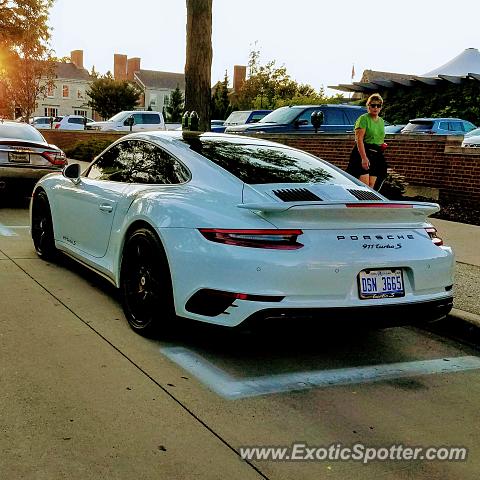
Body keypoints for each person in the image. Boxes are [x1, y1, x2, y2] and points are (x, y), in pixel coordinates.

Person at [346, 93, 387, 189]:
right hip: (364, 152)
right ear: (368, 106)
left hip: (376, 154)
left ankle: (369, 204)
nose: (375, 108)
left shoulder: (381, 121)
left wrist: (382, 145)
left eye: (378, 105)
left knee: (372, 186)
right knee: (364, 186)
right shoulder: (363, 119)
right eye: (373, 105)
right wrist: (364, 158)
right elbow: (359, 140)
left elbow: (379, 137)